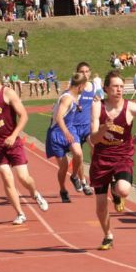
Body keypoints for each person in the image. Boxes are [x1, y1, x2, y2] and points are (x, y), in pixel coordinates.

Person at [0, 64, 49, 225]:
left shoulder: (8, 93)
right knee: (7, 177)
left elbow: (24, 116)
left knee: (23, 178)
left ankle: (35, 194)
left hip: (12, 142)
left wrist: (13, 135)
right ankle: (20, 213)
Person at [88, 69, 136, 250]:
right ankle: (108, 235)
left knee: (123, 190)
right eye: (115, 86)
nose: (119, 89)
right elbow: (93, 139)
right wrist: (102, 129)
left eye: (122, 86)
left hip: (122, 156)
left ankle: (116, 193)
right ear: (106, 88)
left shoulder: (130, 108)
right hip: (101, 158)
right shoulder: (97, 106)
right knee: (100, 206)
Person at [45, 72, 88, 203]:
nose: (85, 89)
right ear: (80, 86)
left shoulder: (74, 96)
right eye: (84, 87)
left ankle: (74, 176)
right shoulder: (67, 98)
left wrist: (78, 107)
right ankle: (63, 189)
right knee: (63, 167)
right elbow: (58, 117)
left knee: (79, 154)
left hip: (70, 129)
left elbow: (71, 107)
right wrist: (65, 132)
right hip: (58, 132)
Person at [70, 62, 98, 195]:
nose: (85, 74)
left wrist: (98, 99)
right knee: (79, 156)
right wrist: (74, 102)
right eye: (82, 71)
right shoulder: (74, 87)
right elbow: (65, 99)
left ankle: (96, 176)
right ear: (77, 73)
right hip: (74, 126)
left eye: (87, 71)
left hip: (87, 126)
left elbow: (98, 101)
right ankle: (82, 181)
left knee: (96, 148)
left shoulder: (93, 86)